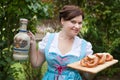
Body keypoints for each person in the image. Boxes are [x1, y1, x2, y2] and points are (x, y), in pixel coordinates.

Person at [28, 5, 93, 80]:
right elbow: (36, 63)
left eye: (80, 23)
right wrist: (33, 44)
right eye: (73, 22)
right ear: (62, 21)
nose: (77, 26)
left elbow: (88, 76)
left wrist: (95, 68)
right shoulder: (49, 39)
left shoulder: (84, 46)